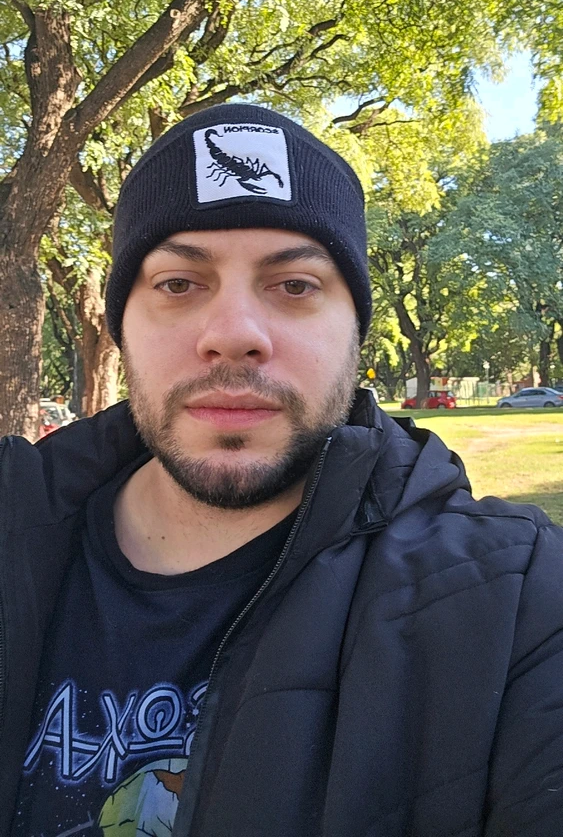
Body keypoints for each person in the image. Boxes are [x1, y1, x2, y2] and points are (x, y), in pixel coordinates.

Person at [2, 104, 563, 837]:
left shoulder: (521, 599)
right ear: (121, 326)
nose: (233, 334)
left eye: (295, 285)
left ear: (355, 330)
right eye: (178, 283)